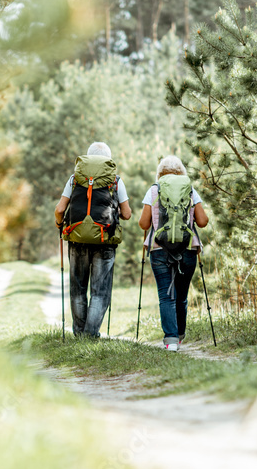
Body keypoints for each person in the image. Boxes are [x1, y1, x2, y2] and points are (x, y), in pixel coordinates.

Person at [54, 142, 132, 337]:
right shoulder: (115, 180)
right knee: (100, 291)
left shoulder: (75, 178)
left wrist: (59, 224)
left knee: (78, 288)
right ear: (108, 159)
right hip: (105, 239)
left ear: (88, 158)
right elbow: (128, 214)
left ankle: (80, 334)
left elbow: (59, 209)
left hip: (77, 238)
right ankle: (91, 336)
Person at [138, 155, 209, 351]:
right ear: (182, 172)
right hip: (187, 248)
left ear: (160, 172)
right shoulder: (190, 190)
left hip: (159, 248)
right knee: (181, 295)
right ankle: (179, 335)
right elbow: (202, 221)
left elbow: (144, 224)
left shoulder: (154, 190)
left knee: (166, 295)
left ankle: (170, 341)